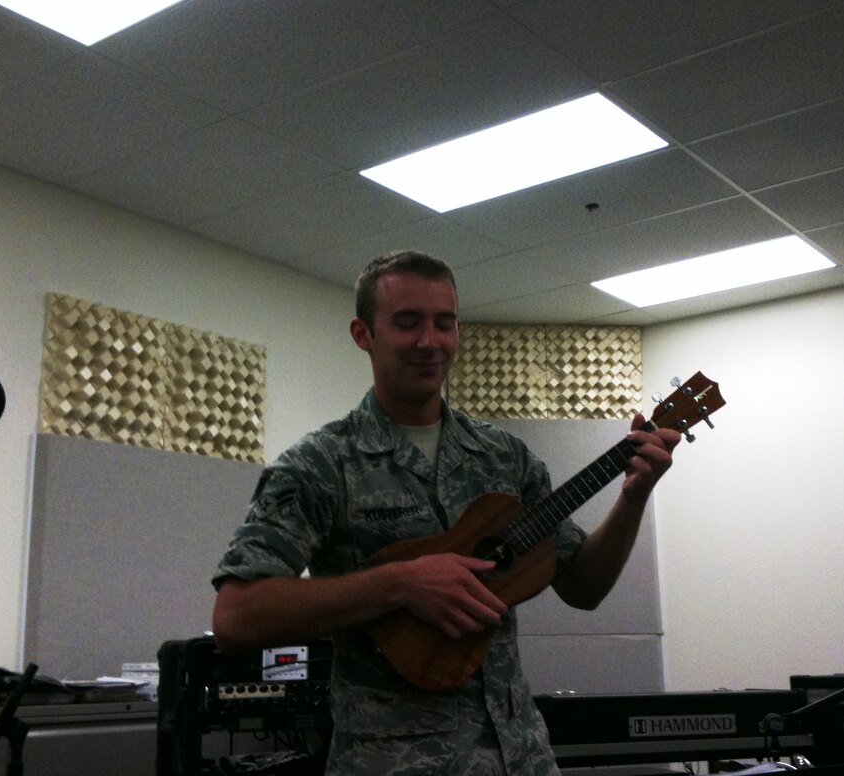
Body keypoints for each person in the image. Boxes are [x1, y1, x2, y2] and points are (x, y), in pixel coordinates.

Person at [211, 250, 680, 775]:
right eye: (408, 323)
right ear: (364, 334)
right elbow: (237, 616)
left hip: (520, 756)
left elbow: (584, 587)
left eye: (445, 323)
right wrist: (400, 583)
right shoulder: (320, 464)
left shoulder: (506, 457)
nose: (430, 342)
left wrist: (634, 495)